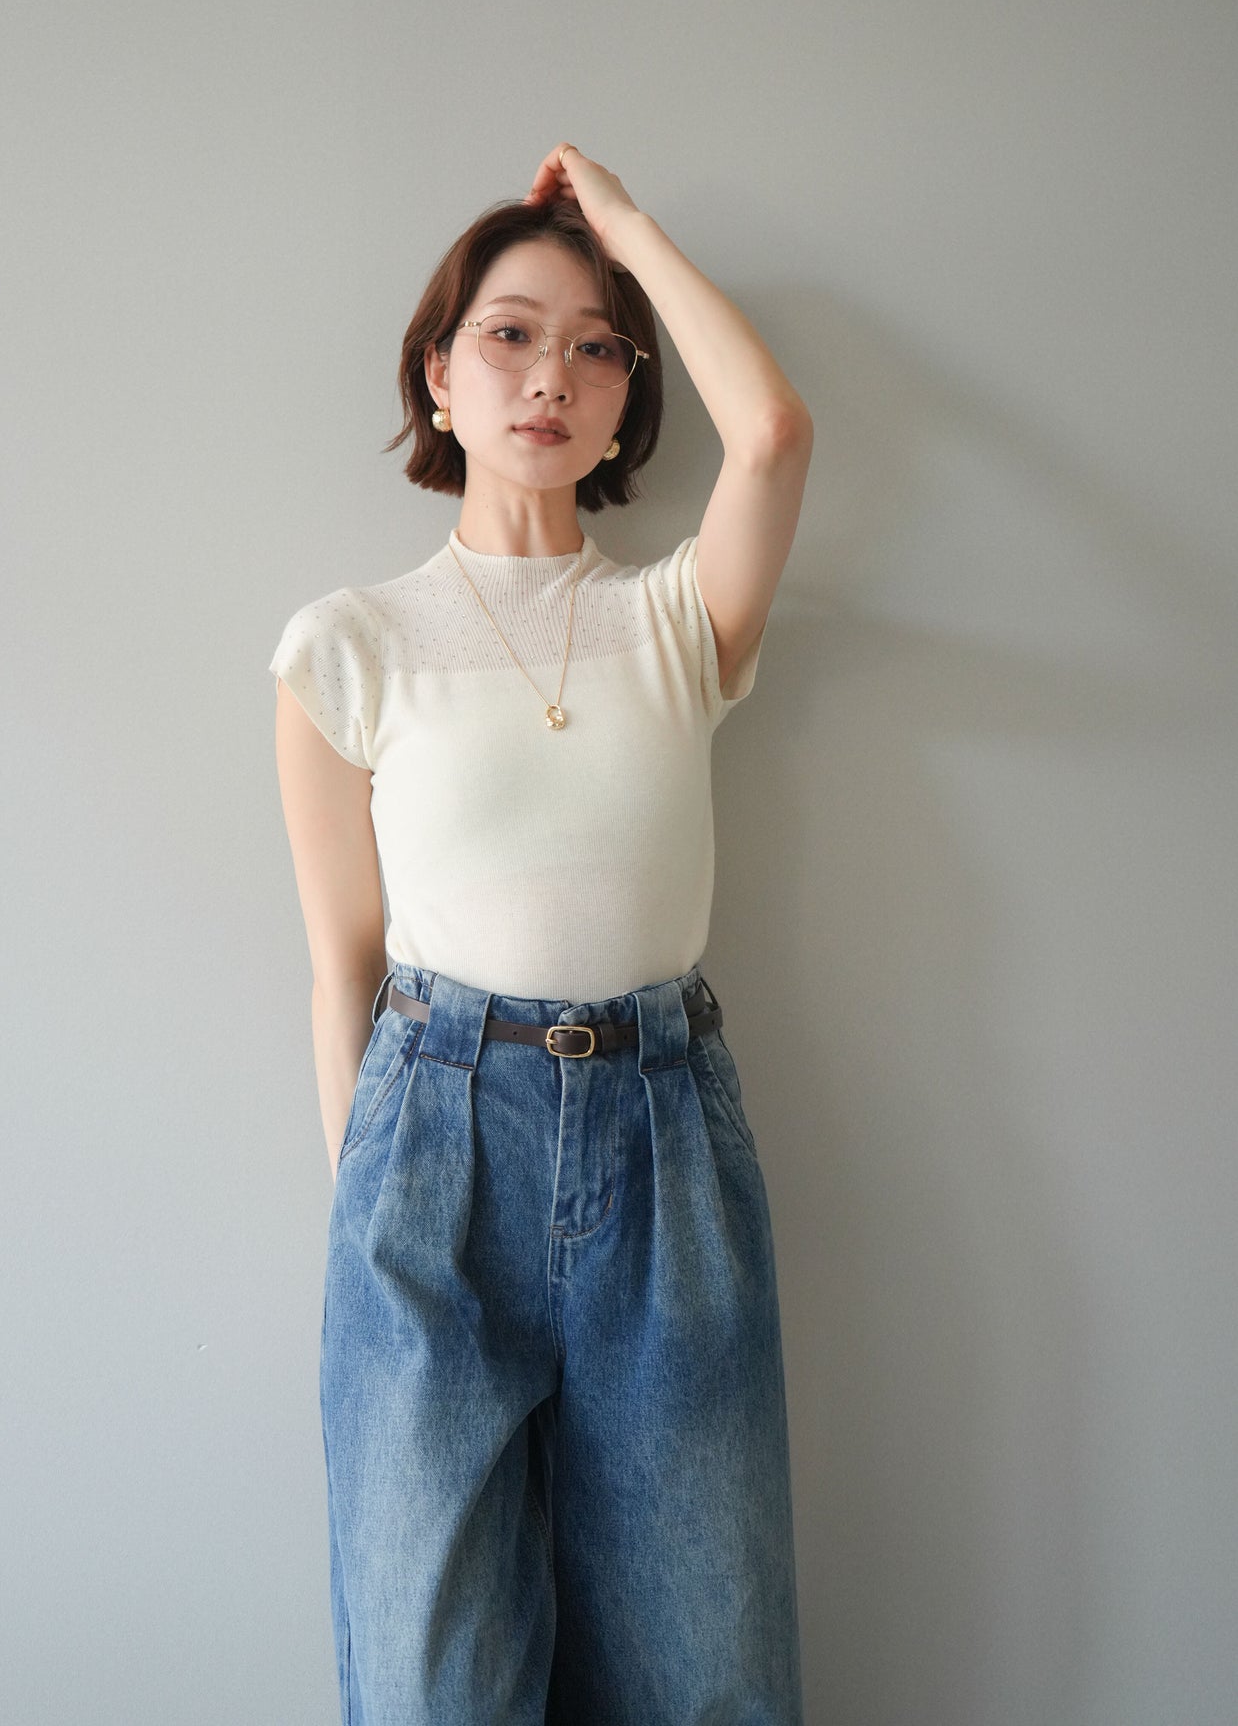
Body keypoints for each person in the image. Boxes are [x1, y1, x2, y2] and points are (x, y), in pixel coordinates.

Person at [269, 143, 814, 1724]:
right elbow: (341, 966)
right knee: (433, 1675)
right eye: (508, 335)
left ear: (627, 400)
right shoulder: (348, 646)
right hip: (432, 1141)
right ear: (437, 378)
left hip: (663, 1136)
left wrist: (623, 227)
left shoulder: (673, 620)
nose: (550, 376)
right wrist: (369, 1208)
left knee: (705, 1666)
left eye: (595, 347)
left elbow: (773, 435)